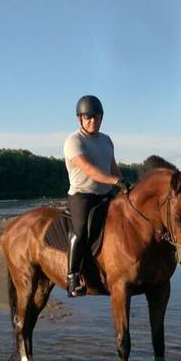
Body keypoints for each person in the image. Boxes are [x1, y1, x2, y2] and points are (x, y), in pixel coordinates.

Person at [63, 95, 129, 297]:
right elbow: (90, 170)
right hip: (82, 195)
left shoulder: (106, 141)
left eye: (97, 117)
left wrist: (123, 186)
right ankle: (73, 277)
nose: (93, 121)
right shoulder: (74, 141)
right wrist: (114, 181)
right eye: (88, 117)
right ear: (79, 119)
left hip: (106, 193)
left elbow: (112, 167)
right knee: (81, 231)